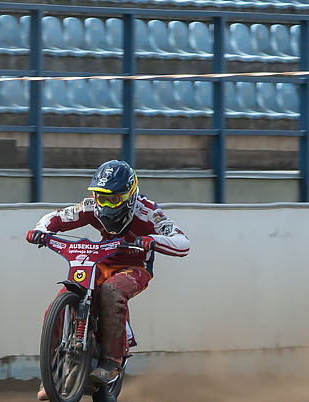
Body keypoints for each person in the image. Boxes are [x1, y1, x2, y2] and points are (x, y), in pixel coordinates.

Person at [25, 158, 191, 388]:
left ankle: (112, 363)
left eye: (114, 199)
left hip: (135, 267)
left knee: (111, 290)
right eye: (102, 197)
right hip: (100, 261)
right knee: (54, 308)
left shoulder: (148, 212)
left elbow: (182, 242)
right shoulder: (91, 206)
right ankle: (52, 371)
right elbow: (58, 217)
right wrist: (41, 230)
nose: (107, 205)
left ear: (130, 195)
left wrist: (152, 241)